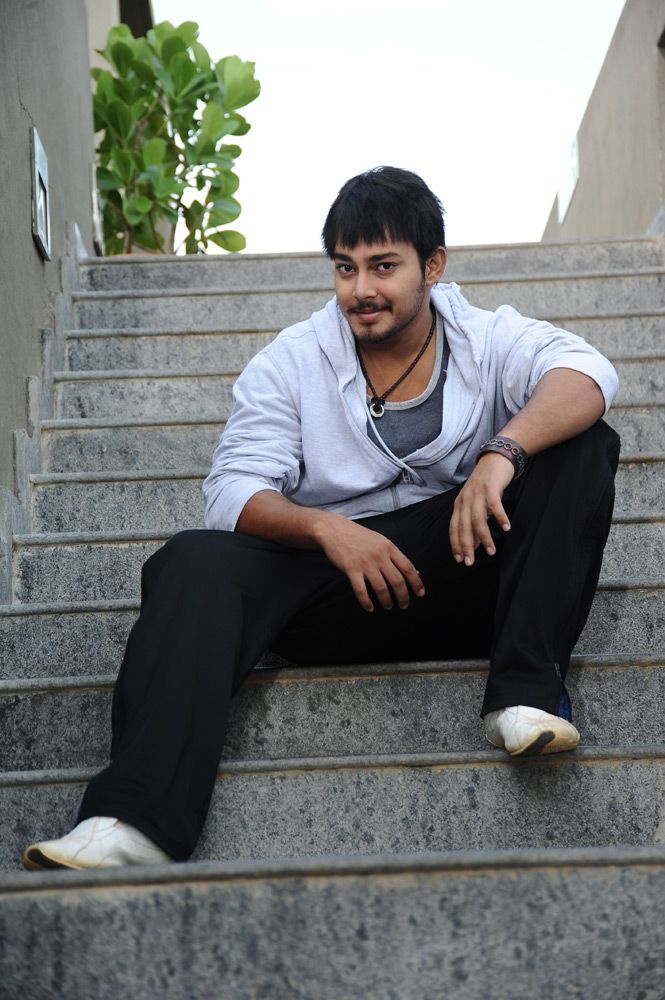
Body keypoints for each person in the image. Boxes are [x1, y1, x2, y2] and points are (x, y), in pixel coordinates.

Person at [23, 166, 620, 871]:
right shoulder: (292, 360)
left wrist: (501, 453)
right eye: (345, 267)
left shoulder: (486, 337)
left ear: (432, 266)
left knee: (581, 443)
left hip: (466, 578)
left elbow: (587, 372)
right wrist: (326, 530)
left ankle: (524, 696)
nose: (361, 289)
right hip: (337, 594)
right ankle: (133, 821)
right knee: (192, 559)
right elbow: (233, 490)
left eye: (383, 266)